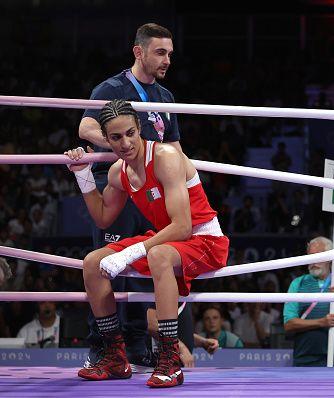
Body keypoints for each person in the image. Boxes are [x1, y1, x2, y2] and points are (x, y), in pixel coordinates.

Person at [65, 100, 228, 388]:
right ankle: (114, 356)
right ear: (106, 138)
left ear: (139, 128)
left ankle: (169, 359)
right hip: (165, 240)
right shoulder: (119, 172)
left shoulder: (165, 156)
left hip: (204, 239)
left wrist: (133, 251)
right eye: (115, 137)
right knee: (93, 262)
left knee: (159, 256)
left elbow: (183, 225)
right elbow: (103, 218)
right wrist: (84, 177)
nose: (125, 143)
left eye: (130, 133)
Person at [78, 23, 183, 370]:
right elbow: (86, 128)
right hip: (120, 186)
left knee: (147, 263)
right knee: (109, 264)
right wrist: (123, 146)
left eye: (169, 52)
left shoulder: (165, 97)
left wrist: (187, 181)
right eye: (160, 52)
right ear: (138, 52)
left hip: (153, 192)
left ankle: (138, 343)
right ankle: (104, 346)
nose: (167, 59)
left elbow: (174, 146)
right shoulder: (112, 88)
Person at [283, 236, 334, 366]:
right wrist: (321, 322)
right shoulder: (298, 283)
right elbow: (288, 325)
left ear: (330, 258)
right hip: (303, 359)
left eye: (319, 256)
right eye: (311, 256)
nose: (314, 261)